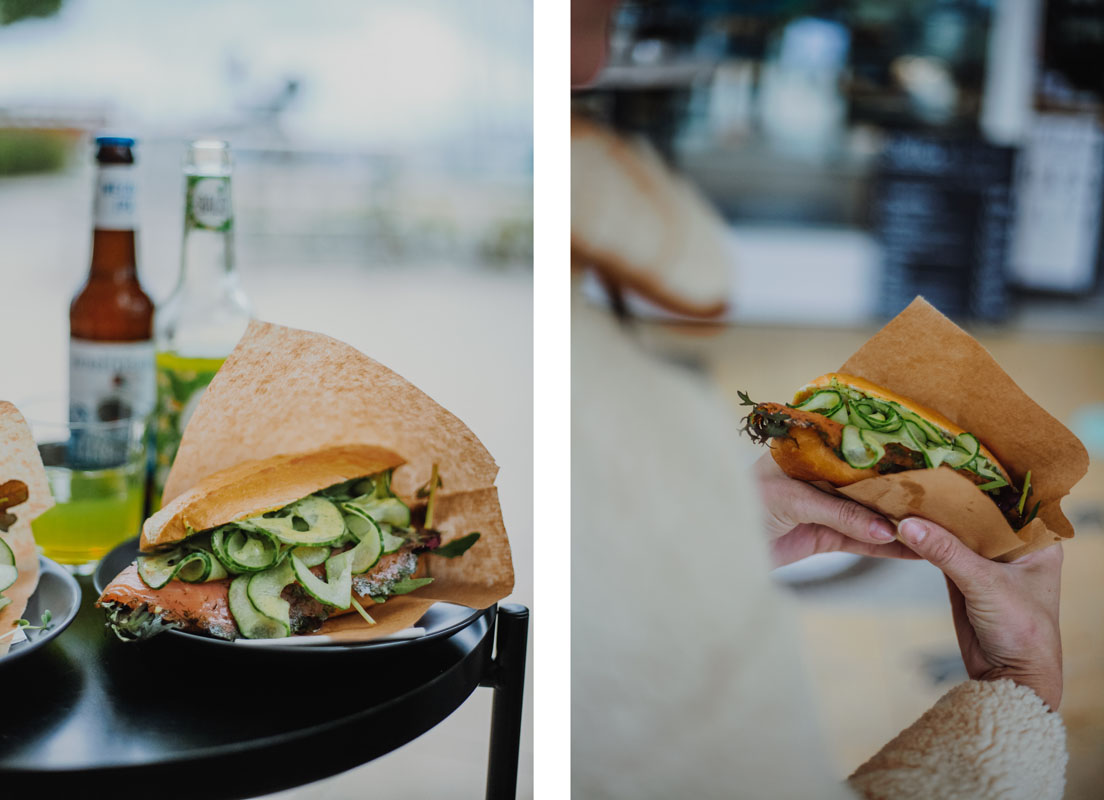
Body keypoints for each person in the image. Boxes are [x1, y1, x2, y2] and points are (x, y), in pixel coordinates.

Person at [571, 2, 1066, 797]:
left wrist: (707, 549)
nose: (594, 62)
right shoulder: (616, 432)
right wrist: (1020, 691)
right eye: (595, 14)